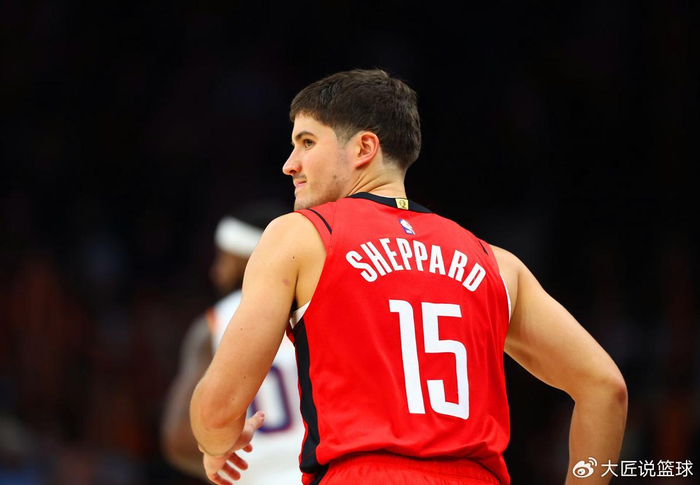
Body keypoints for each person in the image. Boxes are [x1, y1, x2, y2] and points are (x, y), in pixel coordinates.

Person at [190, 69, 628, 485]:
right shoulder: (497, 263)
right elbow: (605, 389)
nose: (290, 164)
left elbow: (217, 411)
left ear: (364, 148)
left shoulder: (300, 236)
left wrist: (216, 443)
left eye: (307, 142)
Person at [162, 208, 303, 484]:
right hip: (330, 471)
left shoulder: (214, 324)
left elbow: (179, 440)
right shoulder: (319, 307)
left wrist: (234, 472)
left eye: (222, 258)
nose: (216, 272)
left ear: (243, 258)